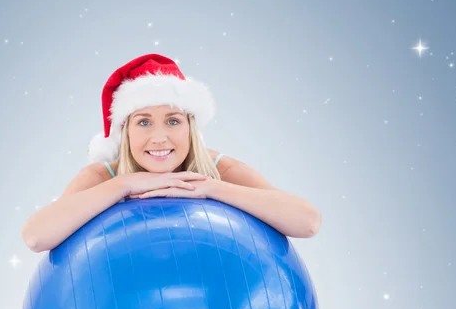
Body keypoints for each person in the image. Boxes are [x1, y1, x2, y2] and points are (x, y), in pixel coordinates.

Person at [22, 54, 322, 253]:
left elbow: (307, 222)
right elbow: (36, 237)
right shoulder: (103, 176)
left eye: (173, 121)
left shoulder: (220, 169)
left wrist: (211, 188)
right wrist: (125, 184)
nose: (159, 137)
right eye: (143, 122)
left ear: (190, 127)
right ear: (125, 130)